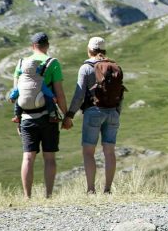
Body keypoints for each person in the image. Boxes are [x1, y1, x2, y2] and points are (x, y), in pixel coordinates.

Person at [15, 32, 73, 199]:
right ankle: (48, 195)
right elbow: (59, 94)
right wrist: (66, 115)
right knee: (49, 157)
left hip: (26, 117)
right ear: (47, 45)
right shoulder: (52, 63)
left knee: (27, 157)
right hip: (49, 116)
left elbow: (17, 94)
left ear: (32, 46)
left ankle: (27, 196)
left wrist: (18, 120)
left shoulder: (21, 63)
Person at [64, 36, 124, 194]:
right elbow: (121, 94)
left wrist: (69, 115)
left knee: (89, 152)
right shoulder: (114, 66)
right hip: (112, 112)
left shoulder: (86, 68)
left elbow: (79, 95)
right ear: (104, 50)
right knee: (109, 151)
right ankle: (108, 189)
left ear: (89, 49)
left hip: (93, 112)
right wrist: (117, 112)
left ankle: (91, 189)